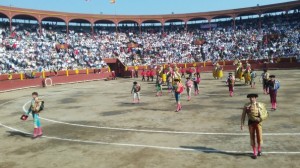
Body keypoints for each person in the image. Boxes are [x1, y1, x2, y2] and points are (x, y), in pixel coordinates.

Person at [241, 94, 266, 159]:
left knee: (259, 137)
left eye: (252, 98)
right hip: (251, 123)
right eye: (250, 98)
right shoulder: (247, 106)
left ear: (255, 98)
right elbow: (243, 115)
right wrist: (242, 124)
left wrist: (261, 119)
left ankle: (259, 150)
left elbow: (265, 113)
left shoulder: (260, 105)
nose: (251, 99)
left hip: (258, 122)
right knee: (252, 137)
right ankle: (254, 153)